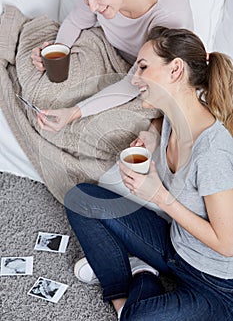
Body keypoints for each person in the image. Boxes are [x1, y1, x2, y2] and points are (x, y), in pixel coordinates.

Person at [64, 26, 233, 320]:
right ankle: (129, 283)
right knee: (80, 198)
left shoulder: (213, 153)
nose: (134, 78)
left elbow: (227, 244)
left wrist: (159, 196)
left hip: (216, 285)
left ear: (175, 70)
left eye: (143, 67)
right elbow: (159, 121)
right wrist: (153, 137)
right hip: (175, 246)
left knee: (137, 317)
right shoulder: (173, 116)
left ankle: (139, 283)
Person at [31, 0, 193, 133]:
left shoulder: (170, 13)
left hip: (143, 78)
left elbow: (133, 82)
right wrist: (58, 50)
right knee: (45, 90)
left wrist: (74, 112)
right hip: (111, 53)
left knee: (104, 129)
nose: (92, 6)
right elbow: (75, 21)